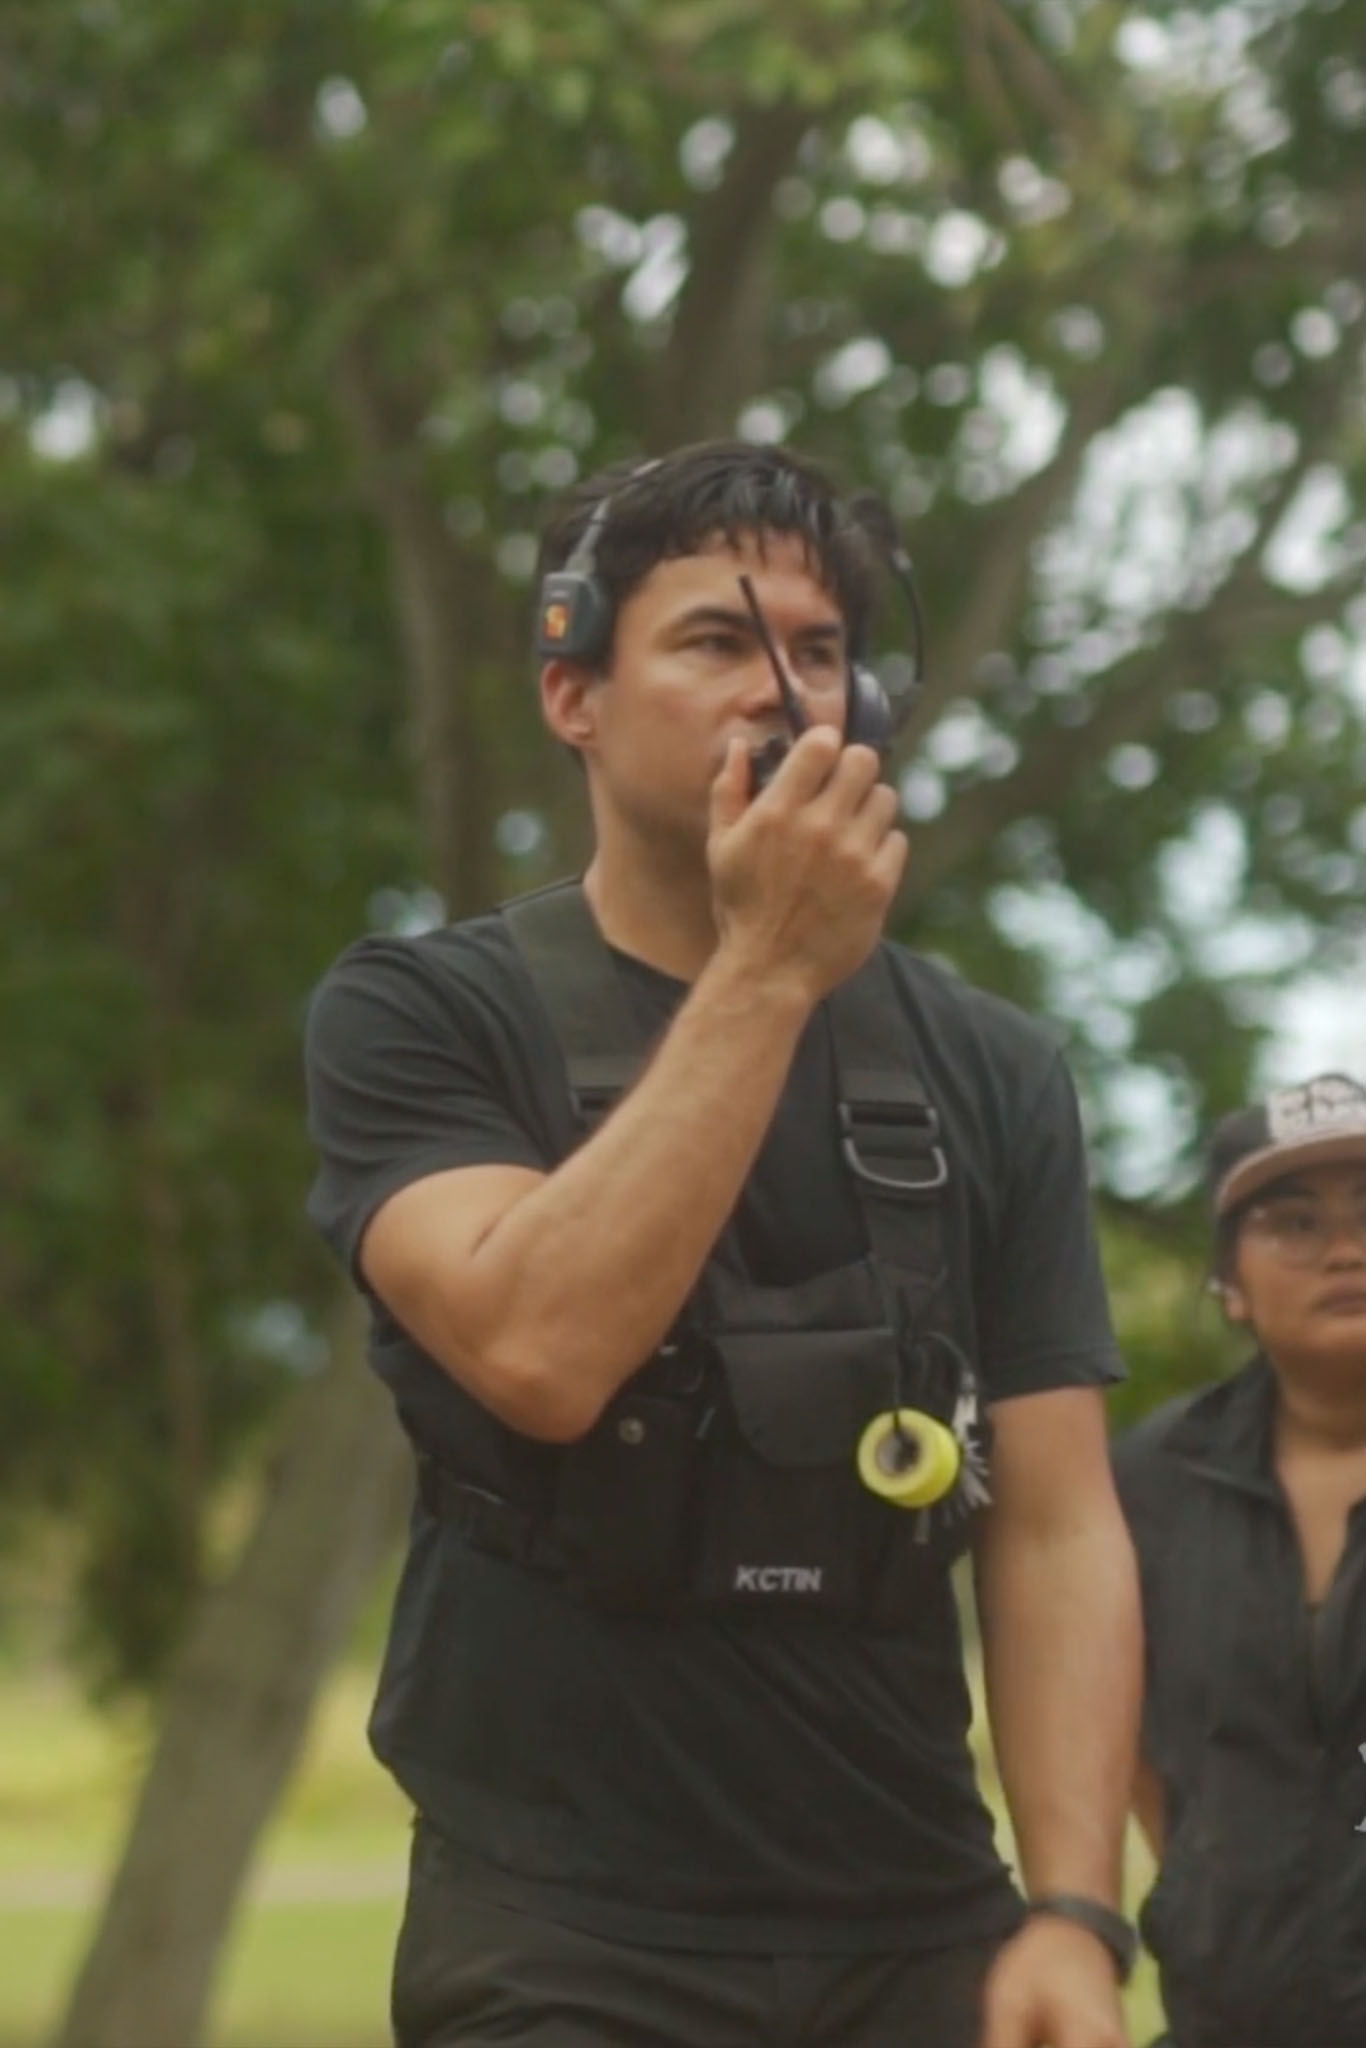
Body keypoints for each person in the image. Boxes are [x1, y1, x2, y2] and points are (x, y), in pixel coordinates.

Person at [304, 440, 1142, 2048]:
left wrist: (1070, 1911)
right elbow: (538, 1356)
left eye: (821, 654)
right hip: (561, 1929)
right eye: (712, 642)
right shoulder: (422, 1016)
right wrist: (767, 971)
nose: (783, 693)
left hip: (920, 1922)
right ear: (574, 695)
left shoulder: (993, 1067)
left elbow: (1054, 1529)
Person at [1113, 1072, 1366, 2048]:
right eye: (1291, 1221)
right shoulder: (1149, 1479)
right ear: (1228, 1280)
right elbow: (1120, 1724)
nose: (1343, 1248)